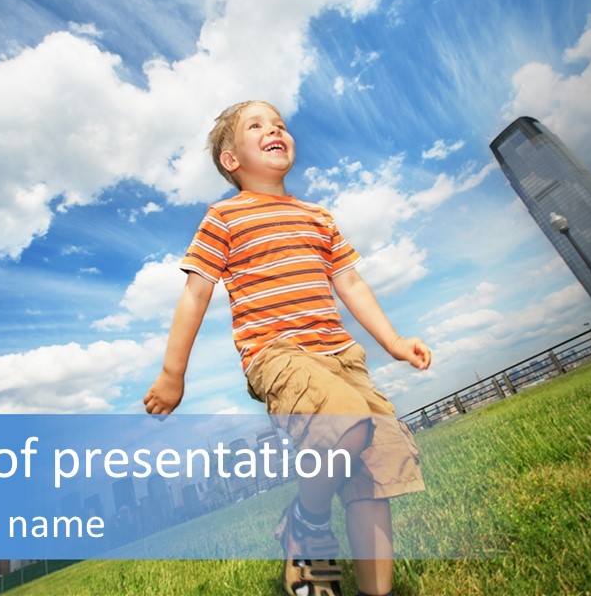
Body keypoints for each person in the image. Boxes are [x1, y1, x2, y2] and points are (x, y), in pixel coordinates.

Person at [143, 100, 432, 596]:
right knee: (345, 421)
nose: (275, 129)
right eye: (257, 125)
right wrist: (174, 374)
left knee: (374, 464)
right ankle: (307, 519)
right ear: (232, 161)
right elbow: (196, 291)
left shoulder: (317, 216)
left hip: (344, 357)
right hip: (277, 355)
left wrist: (394, 341)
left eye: (279, 123)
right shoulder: (225, 216)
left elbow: (350, 282)